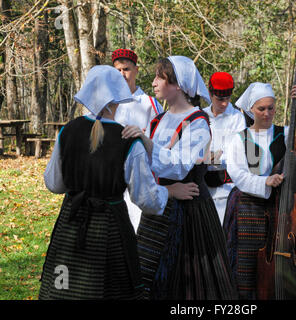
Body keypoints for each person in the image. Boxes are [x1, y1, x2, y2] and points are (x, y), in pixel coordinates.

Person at [39, 65, 196, 300]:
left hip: (71, 223)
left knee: (65, 288)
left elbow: (54, 184)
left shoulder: (67, 132)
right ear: (118, 98)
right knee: (113, 290)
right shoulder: (128, 140)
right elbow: (146, 200)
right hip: (111, 227)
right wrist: (169, 191)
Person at [122, 56, 237, 300]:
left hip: (190, 214)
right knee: (147, 275)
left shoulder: (197, 123)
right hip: (158, 209)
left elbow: (179, 166)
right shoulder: (158, 120)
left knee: (189, 285)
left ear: (178, 85)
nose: (153, 83)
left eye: (160, 78)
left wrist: (146, 142)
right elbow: (146, 166)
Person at [223, 82, 296, 299]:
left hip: (280, 209)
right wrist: (264, 182)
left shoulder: (285, 134)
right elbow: (237, 173)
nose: (267, 113)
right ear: (250, 110)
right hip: (248, 209)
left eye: (271, 108)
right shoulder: (240, 139)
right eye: (261, 109)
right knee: (246, 265)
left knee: (277, 265)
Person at [112, 49, 167, 232]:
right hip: (113, 175)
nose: (122, 74)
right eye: (118, 70)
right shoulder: (109, 103)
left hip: (141, 176)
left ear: (136, 70)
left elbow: (160, 141)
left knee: (138, 228)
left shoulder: (150, 104)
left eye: (126, 69)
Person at [203, 72, 246, 224]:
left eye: (228, 99)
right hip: (202, 189)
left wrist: (218, 158)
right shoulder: (200, 116)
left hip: (227, 189)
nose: (224, 104)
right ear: (210, 93)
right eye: (220, 99)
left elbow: (239, 154)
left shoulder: (237, 118)